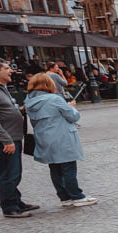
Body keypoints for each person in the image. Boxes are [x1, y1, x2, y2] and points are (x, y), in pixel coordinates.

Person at [0, 58, 38, 218]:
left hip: (10, 136)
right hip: (1, 139)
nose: (11, 71)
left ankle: (16, 201)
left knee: (14, 172)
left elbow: (3, 109)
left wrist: (19, 110)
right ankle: (9, 207)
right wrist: (6, 140)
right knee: (8, 173)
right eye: (7, 68)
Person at [23, 74, 96, 207]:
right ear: (47, 85)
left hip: (44, 138)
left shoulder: (28, 101)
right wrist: (72, 106)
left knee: (55, 168)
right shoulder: (54, 99)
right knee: (68, 167)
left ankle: (64, 197)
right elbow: (73, 116)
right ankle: (77, 196)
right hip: (61, 136)